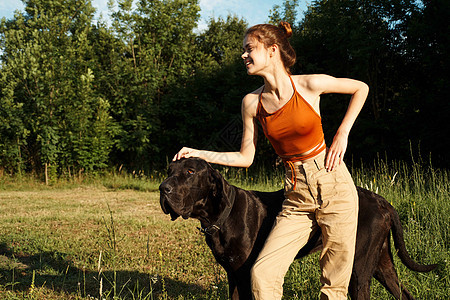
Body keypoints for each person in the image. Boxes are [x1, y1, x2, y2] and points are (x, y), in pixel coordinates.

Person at [173, 21, 369, 300]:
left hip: (333, 181)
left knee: (333, 285)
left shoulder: (309, 85)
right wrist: (200, 153)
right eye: (243, 50)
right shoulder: (252, 103)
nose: (243, 55)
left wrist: (343, 132)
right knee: (263, 274)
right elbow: (245, 157)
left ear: (272, 50)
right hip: (296, 194)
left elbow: (360, 88)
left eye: (249, 49)